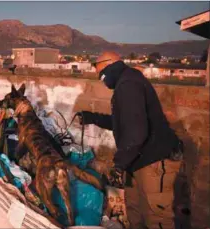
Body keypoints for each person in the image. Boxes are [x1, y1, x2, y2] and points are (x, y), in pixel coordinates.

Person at [77, 51, 184, 229]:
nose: (100, 77)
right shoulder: (124, 83)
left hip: (153, 160)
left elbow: (136, 133)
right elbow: (124, 122)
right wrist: (92, 117)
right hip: (137, 160)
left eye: (100, 70)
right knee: (135, 210)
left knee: (156, 216)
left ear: (110, 63)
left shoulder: (129, 83)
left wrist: (119, 164)